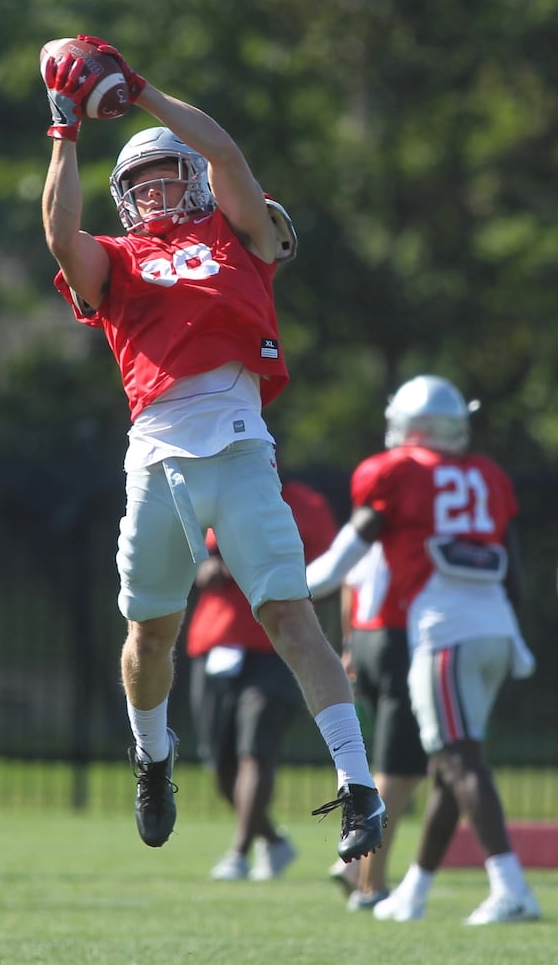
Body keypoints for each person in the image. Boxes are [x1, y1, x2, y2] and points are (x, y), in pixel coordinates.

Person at [40, 33, 384, 860]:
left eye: (168, 173)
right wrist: (64, 129)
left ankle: (359, 786)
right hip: (154, 455)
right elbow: (59, 234)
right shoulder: (118, 259)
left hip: (236, 448)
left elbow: (225, 151)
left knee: (291, 617)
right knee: (148, 634)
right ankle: (153, 758)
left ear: (193, 179)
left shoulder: (242, 241)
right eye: (141, 181)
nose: (156, 189)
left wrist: (144, 92)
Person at [306, 374, 539, 924]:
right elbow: (515, 577)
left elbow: (343, 563)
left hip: (443, 633)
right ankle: (413, 888)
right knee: (449, 767)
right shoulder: (486, 475)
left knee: (458, 762)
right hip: (497, 632)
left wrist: (278, 587)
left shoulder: (398, 474)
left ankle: (509, 886)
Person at [187, 478, 338, 881]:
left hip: (277, 646)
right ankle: (272, 839)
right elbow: (195, 555)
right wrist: (208, 568)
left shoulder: (307, 504)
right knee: (218, 762)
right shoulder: (217, 492)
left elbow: (328, 570)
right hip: (217, 639)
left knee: (256, 749)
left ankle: (238, 853)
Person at [323, 543, 427, 911]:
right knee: (397, 773)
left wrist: (350, 642)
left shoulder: (375, 517)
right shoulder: (412, 508)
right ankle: (368, 884)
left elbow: (349, 583)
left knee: (412, 767)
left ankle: (360, 870)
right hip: (398, 636)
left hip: (368, 637)